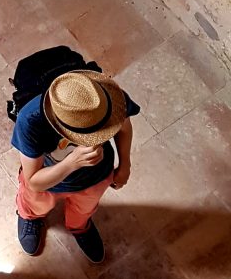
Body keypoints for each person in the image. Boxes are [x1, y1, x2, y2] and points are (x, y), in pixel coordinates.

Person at [11, 69, 139, 264]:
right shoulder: (31, 120)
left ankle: (79, 225)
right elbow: (34, 181)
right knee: (34, 203)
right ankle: (30, 217)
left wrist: (125, 164)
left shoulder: (107, 98)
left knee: (85, 208)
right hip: (49, 181)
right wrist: (72, 162)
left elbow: (124, 126)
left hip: (96, 177)